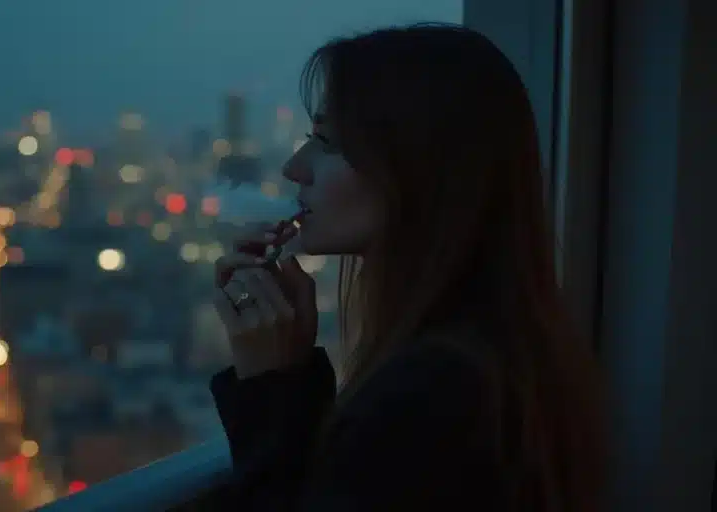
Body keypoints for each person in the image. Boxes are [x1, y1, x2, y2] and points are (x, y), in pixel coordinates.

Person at [210, 23, 607, 511]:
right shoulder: (494, 354)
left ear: (418, 169)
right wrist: (289, 375)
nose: (295, 166)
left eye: (328, 142)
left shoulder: (433, 394)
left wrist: (269, 390)